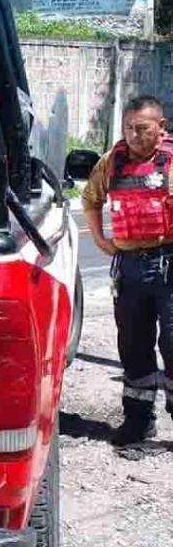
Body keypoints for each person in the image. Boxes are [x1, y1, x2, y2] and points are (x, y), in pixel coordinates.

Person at [82, 96, 173, 447]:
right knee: (133, 345)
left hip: (168, 264)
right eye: (128, 128)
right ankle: (137, 423)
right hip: (129, 268)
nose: (134, 135)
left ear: (160, 128)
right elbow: (90, 198)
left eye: (143, 128)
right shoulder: (112, 162)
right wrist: (102, 241)